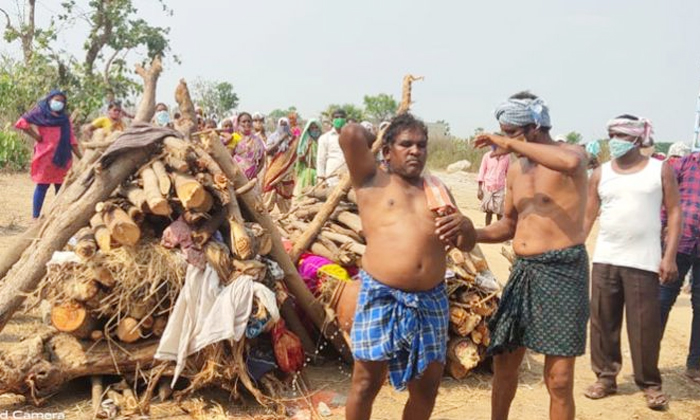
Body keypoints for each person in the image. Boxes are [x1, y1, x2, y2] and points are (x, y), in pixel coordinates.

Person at [340, 113, 476, 420]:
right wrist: (383, 128)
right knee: (366, 383)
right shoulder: (372, 180)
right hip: (381, 296)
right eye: (406, 144)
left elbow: (464, 243)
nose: (416, 150)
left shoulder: (437, 190)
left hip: (431, 300)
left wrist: (466, 226)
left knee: (426, 388)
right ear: (387, 150)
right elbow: (349, 133)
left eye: (422, 145)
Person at [472, 92, 589, 420]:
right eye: (503, 133)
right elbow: (508, 225)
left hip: (564, 272)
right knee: (504, 364)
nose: (505, 140)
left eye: (511, 132)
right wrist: (471, 233)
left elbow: (571, 163)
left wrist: (510, 145)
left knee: (560, 380)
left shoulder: (572, 155)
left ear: (535, 127)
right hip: (523, 272)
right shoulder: (515, 169)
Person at [583, 115, 680, 410]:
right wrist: (575, 247)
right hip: (606, 258)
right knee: (602, 323)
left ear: (637, 139)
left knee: (644, 327)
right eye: (611, 134)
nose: (614, 141)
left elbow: (675, 212)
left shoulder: (659, 170)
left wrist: (670, 256)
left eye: (620, 136)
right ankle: (605, 377)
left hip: (644, 261)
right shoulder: (600, 173)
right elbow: (588, 215)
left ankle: (650, 383)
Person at [658, 146, 700, 385]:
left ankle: (695, 365)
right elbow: (666, 202)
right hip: (678, 244)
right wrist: (662, 232)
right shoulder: (684, 164)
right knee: (662, 302)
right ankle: (648, 364)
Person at [15, 89, 82, 218]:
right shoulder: (40, 113)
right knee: (42, 186)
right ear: (49, 100)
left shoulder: (65, 119)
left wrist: (82, 158)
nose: (59, 103)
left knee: (61, 188)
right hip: (45, 157)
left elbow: (72, 140)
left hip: (62, 158)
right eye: (57, 100)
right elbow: (21, 123)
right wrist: (36, 136)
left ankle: (58, 217)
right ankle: (35, 217)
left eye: (62, 101)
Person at [262, 118, 298, 212]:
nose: (283, 127)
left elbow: (294, 156)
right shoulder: (272, 137)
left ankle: (285, 217)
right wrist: (280, 140)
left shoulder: (294, 139)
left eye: (285, 124)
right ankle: (265, 217)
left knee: (284, 198)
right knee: (269, 192)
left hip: (287, 173)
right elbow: (268, 152)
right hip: (273, 171)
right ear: (278, 125)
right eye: (281, 124)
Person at [477, 148, 510, 225]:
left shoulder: (507, 157)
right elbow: (482, 171)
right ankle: (487, 229)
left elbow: (508, 173)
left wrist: (510, 190)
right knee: (489, 212)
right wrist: (479, 189)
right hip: (488, 187)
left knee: (500, 212)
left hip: (500, 188)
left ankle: (500, 231)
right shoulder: (487, 156)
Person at [317, 109, 347, 186]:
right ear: (332, 120)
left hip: (348, 179)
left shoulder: (351, 137)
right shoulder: (325, 138)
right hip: (331, 180)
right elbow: (321, 160)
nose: (339, 119)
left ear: (345, 119)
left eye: (342, 117)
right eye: (336, 117)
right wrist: (321, 179)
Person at [232, 112, 266, 180]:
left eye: (249, 121)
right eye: (243, 122)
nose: (246, 124)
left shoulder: (257, 140)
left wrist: (255, 173)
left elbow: (262, 161)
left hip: (251, 178)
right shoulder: (234, 138)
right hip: (236, 177)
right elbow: (229, 157)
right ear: (238, 123)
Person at [293, 119, 322, 195]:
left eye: (316, 128)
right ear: (309, 130)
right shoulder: (305, 142)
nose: (315, 130)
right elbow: (300, 158)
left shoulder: (322, 141)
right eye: (312, 128)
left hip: (321, 172)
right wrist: (307, 148)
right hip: (309, 171)